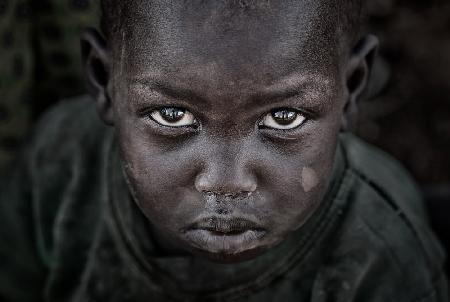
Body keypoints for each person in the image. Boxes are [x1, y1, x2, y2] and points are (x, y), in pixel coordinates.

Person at [0, 0, 447, 301]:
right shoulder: (59, 162)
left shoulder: (382, 256)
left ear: (349, 91)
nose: (225, 182)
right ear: (104, 81)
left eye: (283, 118)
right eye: (172, 116)